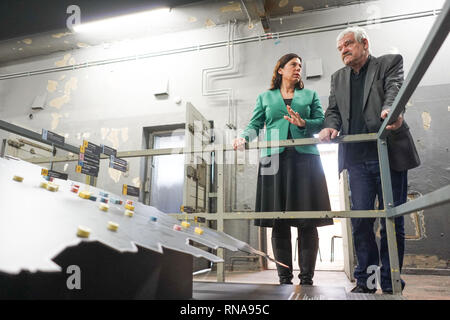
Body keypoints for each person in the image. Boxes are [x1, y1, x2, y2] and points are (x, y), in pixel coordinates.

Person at [319, 26, 420, 294]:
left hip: (388, 154)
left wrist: (392, 109)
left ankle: (390, 281)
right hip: (356, 159)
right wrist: (330, 126)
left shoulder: (388, 63)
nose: (344, 50)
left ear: (365, 43)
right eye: (340, 47)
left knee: (391, 220)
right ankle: (366, 280)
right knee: (361, 221)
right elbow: (332, 110)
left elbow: (394, 89)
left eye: (348, 44)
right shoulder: (337, 78)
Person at [233, 53, 333, 285]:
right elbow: (255, 124)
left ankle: (306, 278)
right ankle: (284, 278)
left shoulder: (309, 95)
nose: (298, 68)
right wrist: (243, 138)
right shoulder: (265, 97)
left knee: (307, 220)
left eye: (300, 65)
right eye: (293, 65)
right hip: (272, 161)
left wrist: (304, 124)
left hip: (305, 159)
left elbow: (321, 120)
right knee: (278, 220)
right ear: (280, 70)